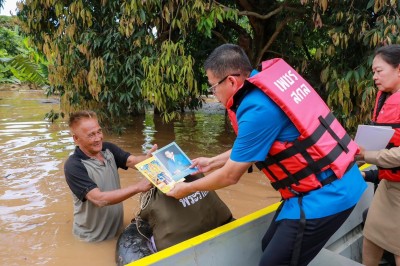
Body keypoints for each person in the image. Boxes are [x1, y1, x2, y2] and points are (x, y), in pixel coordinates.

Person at [167, 44, 367, 266]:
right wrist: (211, 162)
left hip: (328, 194)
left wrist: (187, 189)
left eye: (213, 87)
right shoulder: (260, 92)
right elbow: (254, 145)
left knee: (272, 263)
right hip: (320, 186)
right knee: (268, 244)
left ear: (232, 81)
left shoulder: (257, 109)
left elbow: (231, 176)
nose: (213, 93)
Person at [64, 110, 156, 242]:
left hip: (118, 232)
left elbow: (133, 161)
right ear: (76, 139)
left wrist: (149, 159)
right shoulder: (74, 165)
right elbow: (99, 199)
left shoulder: (108, 149)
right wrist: (138, 187)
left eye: (99, 131)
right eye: (91, 135)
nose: (98, 138)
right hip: (92, 239)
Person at [356, 44, 400, 266]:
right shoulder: (385, 98)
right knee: (371, 238)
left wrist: (366, 154)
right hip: (389, 185)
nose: (374, 76)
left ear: (399, 69)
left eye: (379, 71)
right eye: (373, 71)